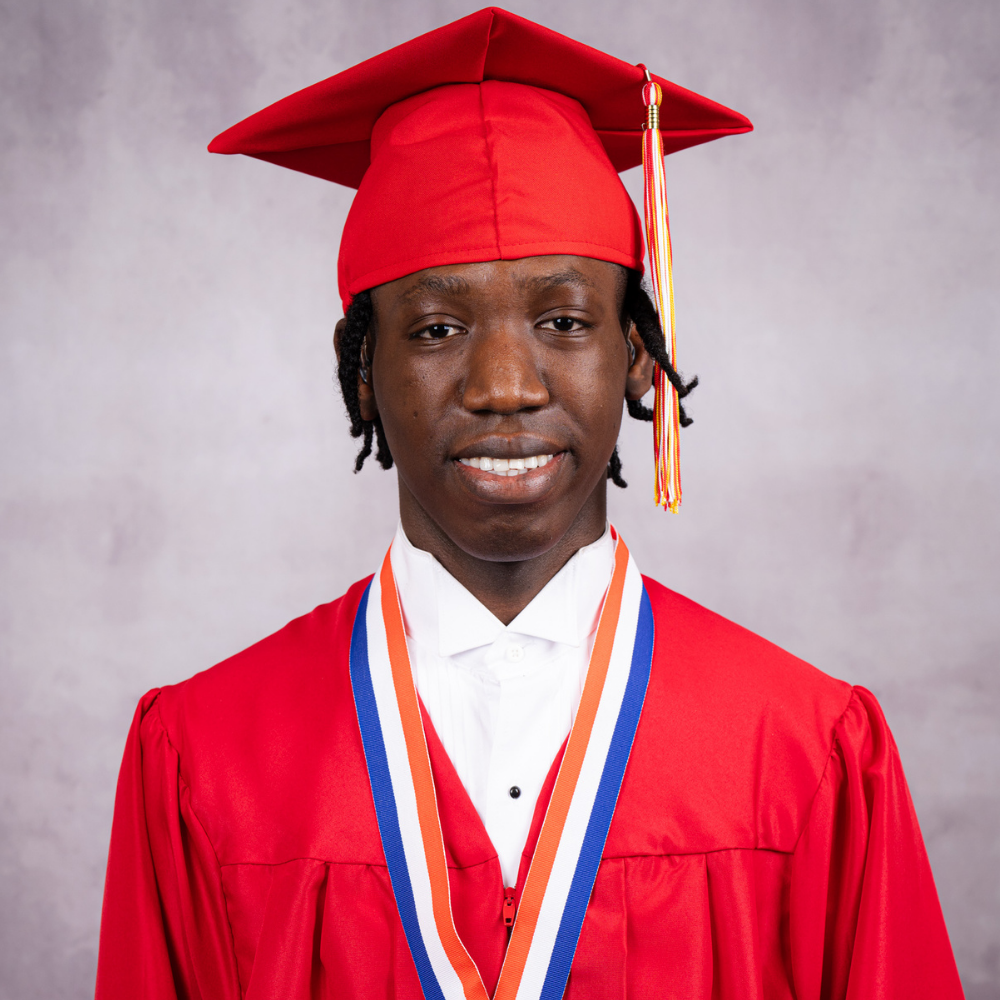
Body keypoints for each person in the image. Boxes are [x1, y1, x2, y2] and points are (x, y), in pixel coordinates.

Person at [95, 8, 965, 999]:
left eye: (562, 319)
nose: (504, 383)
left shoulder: (807, 755)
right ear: (364, 375)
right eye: (433, 329)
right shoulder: (205, 761)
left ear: (637, 356)